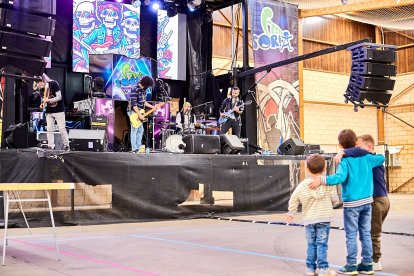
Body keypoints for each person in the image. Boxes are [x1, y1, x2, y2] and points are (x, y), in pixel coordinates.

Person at [310, 129, 385, 275]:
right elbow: (381, 158)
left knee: (351, 235)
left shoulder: (345, 160)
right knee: (365, 233)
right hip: (367, 202)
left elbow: (339, 178)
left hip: (352, 204)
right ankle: (368, 264)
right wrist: (360, 151)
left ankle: (351, 265)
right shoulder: (367, 157)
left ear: (339, 145)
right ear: (357, 142)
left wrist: (322, 180)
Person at [334, 134, 390, 272]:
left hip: (377, 200)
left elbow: (359, 153)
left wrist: (344, 151)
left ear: (369, 147)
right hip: (379, 199)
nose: (357, 149)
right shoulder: (369, 158)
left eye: (359, 147)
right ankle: (368, 259)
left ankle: (374, 260)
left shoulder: (370, 158)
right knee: (369, 231)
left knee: (372, 232)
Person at [286, 154, 337, 276]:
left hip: (309, 220)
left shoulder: (303, 185)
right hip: (324, 218)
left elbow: (293, 199)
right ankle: (324, 269)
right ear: (324, 168)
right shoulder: (328, 183)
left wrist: (291, 213)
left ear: (307, 169)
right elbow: (335, 200)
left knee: (311, 244)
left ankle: (310, 268)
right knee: (322, 244)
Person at [40, 74, 70, 150]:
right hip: (49, 111)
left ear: (43, 80)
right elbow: (44, 100)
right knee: (49, 129)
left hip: (58, 110)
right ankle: (51, 146)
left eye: (39, 83)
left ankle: (66, 145)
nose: (39, 86)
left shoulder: (53, 83)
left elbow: (59, 97)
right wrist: (42, 104)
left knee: (61, 129)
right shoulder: (42, 89)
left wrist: (49, 100)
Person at [129, 75, 158, 153]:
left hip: (140, 112)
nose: (148, 87)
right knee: (134, 129)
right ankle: (134, 148)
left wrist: (153, 107)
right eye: (148, 85)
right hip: (133, 112)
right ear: (145, 83)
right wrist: (140, 115)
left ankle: (138, 147)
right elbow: (134, 105)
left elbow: (144, 102)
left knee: (140, 130)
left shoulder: (143, 90)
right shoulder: (135, 89)